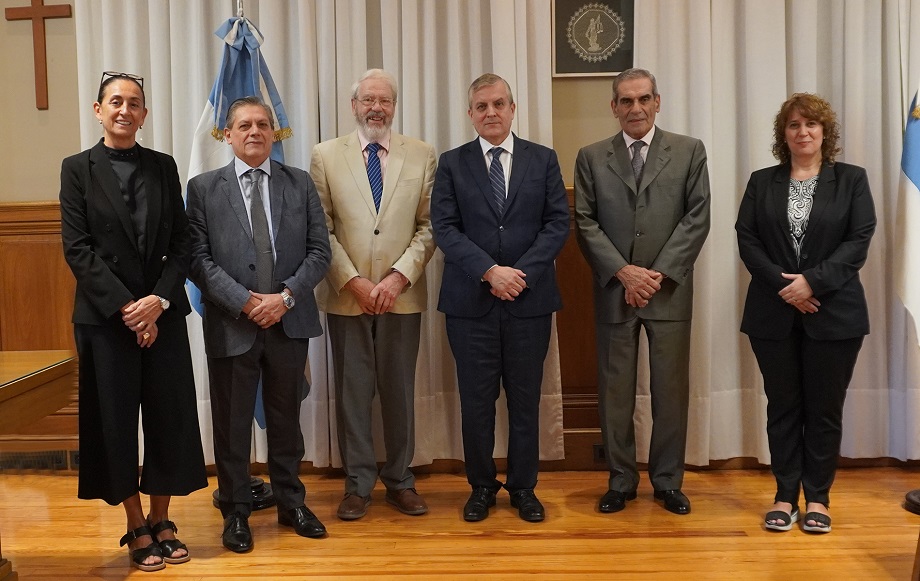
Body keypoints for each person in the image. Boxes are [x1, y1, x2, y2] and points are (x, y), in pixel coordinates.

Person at [60, 71, 207, 572]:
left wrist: (158, 303)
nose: (125, 110)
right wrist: (130, 308)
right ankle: (136, 522)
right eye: (115, 101)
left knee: (169, 419)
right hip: (106, 320)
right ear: (98, 110)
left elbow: (183, 244)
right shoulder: (76, 169)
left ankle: (164, 519)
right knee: (116, 424)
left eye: (135, 103)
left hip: (162, 315)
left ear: (144, 115)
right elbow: (78, 250)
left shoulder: (164, 167)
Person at [186, 96, 332, 552]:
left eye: (263, 124)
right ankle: (235, 512)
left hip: (288, 322)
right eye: (244, 125)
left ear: (274, 132)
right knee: (231, 426)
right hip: (233, 325)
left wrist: (284, 298)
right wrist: (246, 302)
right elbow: (197, 259)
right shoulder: (203, 189)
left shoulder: (300, 183)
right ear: (227, 135)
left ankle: (292, 504)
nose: (254, 131)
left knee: (287, 420)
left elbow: (319, 252)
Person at [432, 73, 569, 523]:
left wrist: (520, 275)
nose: (491, 112)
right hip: (470, 305)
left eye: (499, 104)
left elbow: (556, 224)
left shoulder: (543, 159)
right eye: (481, 106)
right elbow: (446, 229)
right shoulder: (452, 164)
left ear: (513, 109)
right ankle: (481, 486)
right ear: (470, 114)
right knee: (476, 402)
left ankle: (524, 488)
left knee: (526, 400)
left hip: (529, 303)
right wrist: (490, 272)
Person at [735, 93, 875, 533]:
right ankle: (784, 495)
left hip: (835, 315)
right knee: (782, 408)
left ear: (824, 132)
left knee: (824, 409)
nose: (803, 132)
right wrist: (785, 287)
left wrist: (812, 282)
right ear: (784, 134)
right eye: (794, 125)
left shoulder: (851, 179)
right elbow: (747, 238)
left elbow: (859, 239)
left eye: (811, 125)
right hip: (772, 315)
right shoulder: (762, 181)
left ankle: (817, 498)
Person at [573, 68, 711, 516]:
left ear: (657, 101)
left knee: (670, 392)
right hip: (616, 291)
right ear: (613, 106)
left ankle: (668, 481)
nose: (635, 108)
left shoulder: (690, 151)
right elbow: (585, 221)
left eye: (643, 99)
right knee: (616, 392)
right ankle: (620, 480)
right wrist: (624, 273)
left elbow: (697, 217)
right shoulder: (591, 156)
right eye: (625, 101)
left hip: (668, 292)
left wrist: (655, 275)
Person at [310, 69, 437, 520]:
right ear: (354, 105)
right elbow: (320, 230)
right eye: (368, 100)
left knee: (400, 392)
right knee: (352, 394)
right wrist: (355, 282)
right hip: (349, 297)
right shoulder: (325, 156)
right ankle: (358, 484)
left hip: (402, 295)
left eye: (384, 100)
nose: (376, 107)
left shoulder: (422, 155)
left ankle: (401, 480)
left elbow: (429, 226)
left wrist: (397, 278)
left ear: (394, 106)